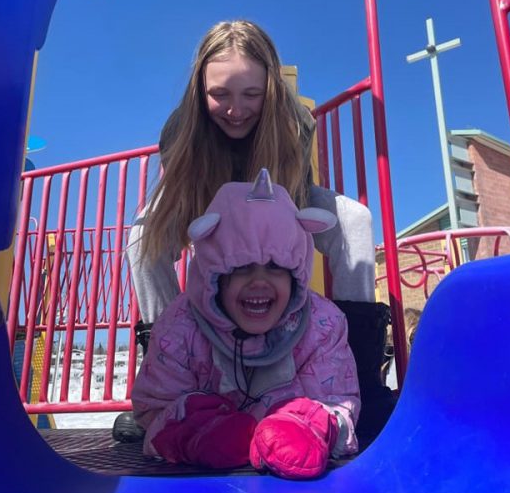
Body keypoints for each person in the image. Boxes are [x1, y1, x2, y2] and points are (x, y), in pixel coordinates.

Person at [128, 19, 376, 328]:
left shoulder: (294, 124)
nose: (235, 109)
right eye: (220, 94)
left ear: (270, 89)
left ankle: (356, 353)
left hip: (282, 199)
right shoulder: (180, 132)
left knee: (355, 220)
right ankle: (168, 343)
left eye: (251, 94)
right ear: (200, 91)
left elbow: (291, 211)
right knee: (141, 237)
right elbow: (184, 200)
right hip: (204, 202)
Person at [131, 170, 360, 479]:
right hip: (210, 431)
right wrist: (192, 431)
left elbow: (338, 403)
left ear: (296, 275)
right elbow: (154, 405)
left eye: (276, 267)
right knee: (187, 420)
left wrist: (311, 424)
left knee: (309, 420)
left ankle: (295, 428)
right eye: (241, 268)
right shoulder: (181, 326)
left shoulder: (321, 325)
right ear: (214, 277)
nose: (259, 281)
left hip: (289, 428)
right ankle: (207, 431)